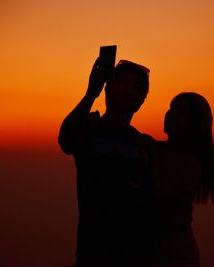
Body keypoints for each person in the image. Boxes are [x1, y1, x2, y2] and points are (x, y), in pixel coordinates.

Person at [58, 57, 152, 267]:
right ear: (108, 88)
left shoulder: (143, 144)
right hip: (95, 252)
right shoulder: (90, 130)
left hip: (136, 253)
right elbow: (65, 140)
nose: (129, 91)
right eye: (123, 83)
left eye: (137, 87)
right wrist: (92, 92)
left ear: (143, 99)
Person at [148, 92, 214, 267]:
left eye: (181, 113)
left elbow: (159, 196)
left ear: (195, 126)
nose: (171, 114)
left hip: (175, 251)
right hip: (153, 247)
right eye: (171, 108)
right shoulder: (155, 148)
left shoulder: (191, 166)